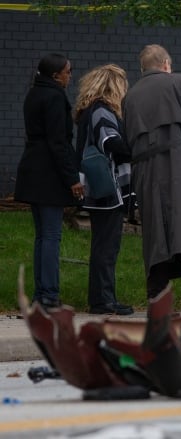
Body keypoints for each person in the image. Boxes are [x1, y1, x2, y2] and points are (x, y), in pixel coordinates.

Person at [122, 44, 181, 314]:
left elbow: (128, 137)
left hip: (145, 168)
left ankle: (157, 300)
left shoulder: (129, 97)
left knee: (155, 231)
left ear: (143, 69)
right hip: (180, 162)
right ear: (166, 64)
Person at [15, 53, 85, 311]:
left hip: (32, 171)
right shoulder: (55, 97)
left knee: (42, 236)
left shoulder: (34, 94)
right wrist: (72, 178)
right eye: (68, 71)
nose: (70, 75)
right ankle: (49, 296)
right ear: (56, 75)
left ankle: (40, 295)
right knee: (51, 236)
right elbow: (59, 142)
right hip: (50, 176)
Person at [74, 64, 134, 315]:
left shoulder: (90, 110)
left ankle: (103, 297)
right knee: (107, 247)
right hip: (108, 190)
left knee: (103, 245)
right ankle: (103, 300)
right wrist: (140, 148)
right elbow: (111, 143)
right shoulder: (102, 111)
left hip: (98, 188)